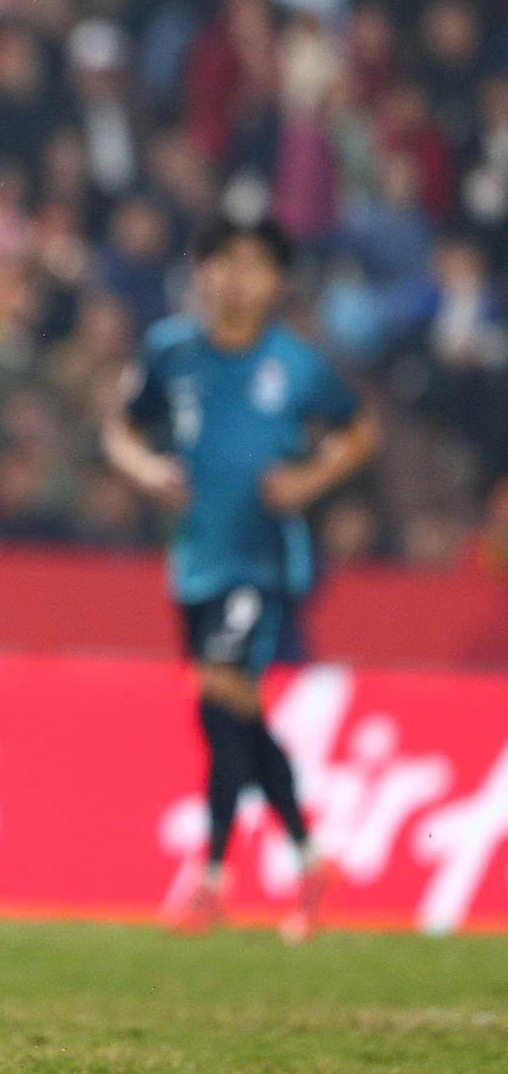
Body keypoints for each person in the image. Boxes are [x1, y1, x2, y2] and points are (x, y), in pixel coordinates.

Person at [103, 218, 376, 942]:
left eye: (254, 265)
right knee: (227, 711)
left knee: (225, 693)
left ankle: (214, 878)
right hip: (195, 559)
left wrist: (308, 480)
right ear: (202, 272)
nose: (236, 278)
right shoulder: (171, 352)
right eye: (221, 262)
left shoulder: (297, 363)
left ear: (277, 280)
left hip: (263, 558)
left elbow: (359, 429)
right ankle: (310, 859)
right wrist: (147, 470)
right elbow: (121, 429)